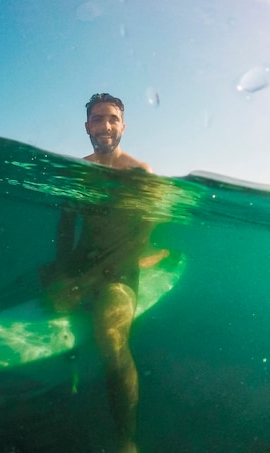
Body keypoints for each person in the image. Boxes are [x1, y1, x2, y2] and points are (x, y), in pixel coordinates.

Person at [43, 93, 166, 453]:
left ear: (123, 126)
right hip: (83, 263)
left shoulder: (140, 174)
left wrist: (92, 281)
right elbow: (65, 228)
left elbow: (140, 234)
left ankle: (126, 438)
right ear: (87, 127)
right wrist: (64, 275)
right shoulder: (78, 172)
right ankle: (74, 376)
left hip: (119, 270)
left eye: (112, 118)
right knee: (47, 303)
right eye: (98, 119)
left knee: (111, 340)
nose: (105, 125)